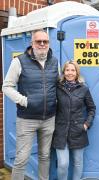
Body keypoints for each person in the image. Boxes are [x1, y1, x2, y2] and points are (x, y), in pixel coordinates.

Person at [2, 29, 59, 180]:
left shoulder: (54, 62)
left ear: (49, 43)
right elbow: (6, 86)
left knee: (45, 156)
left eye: (45, 41)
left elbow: (57, 85)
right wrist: (24, 101)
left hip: (49, 118)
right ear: (32, 43)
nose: (42, 44)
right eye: (38, 41)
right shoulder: (19, 61)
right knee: (22, 159)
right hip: (27, 119)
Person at [52, 60, 96, 180]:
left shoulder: (84, 89)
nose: (70, 73)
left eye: (73, 70)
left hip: (78, 131)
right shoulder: (57, 88)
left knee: (77, 162)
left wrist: (86, 124)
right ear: (63, 72)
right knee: (63, 164)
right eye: (67, 70)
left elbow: (92, 108)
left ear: (77, 72)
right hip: (60, 131)